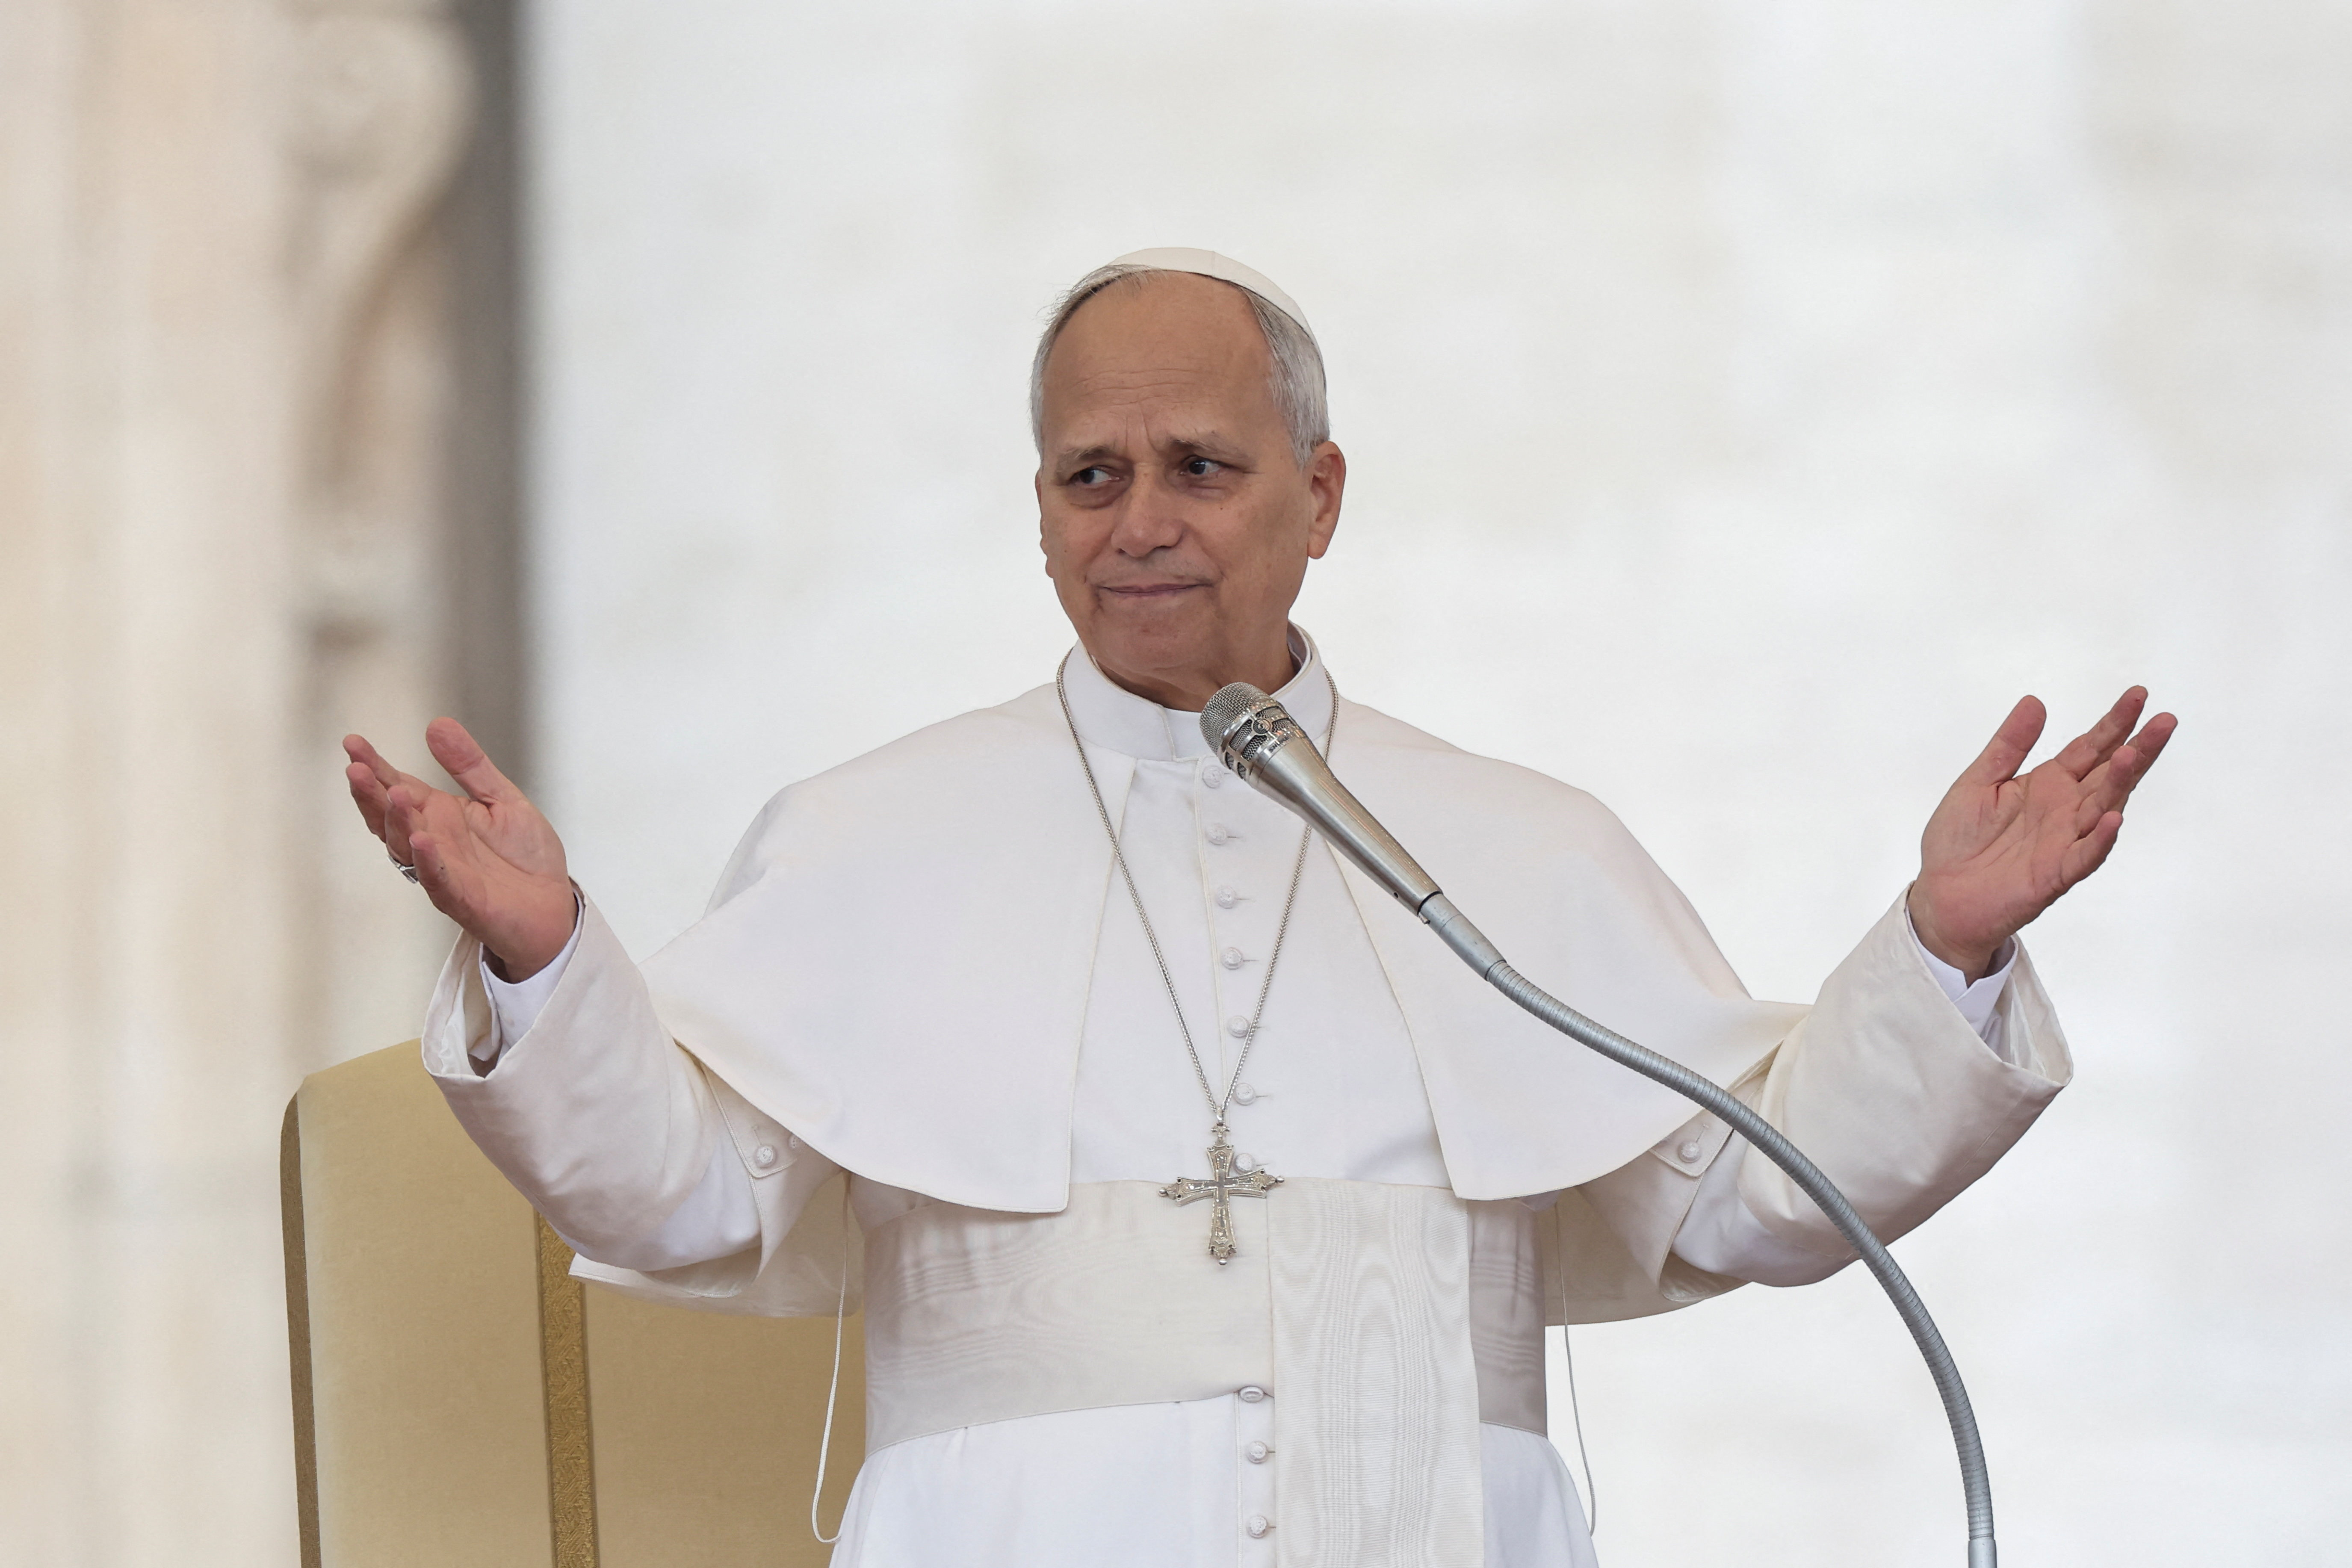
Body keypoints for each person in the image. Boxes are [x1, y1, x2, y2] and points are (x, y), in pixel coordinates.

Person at [343, 249, 2172, 1568]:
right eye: (1091, 474)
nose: (1141, 518)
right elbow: (687, 1188)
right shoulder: (869, 833)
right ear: (1041, 512)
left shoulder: (1511, 841)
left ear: (1319, 495)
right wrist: (548, 960)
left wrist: (1944, 947)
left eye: (1200, 467)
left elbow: (1753, 1190)